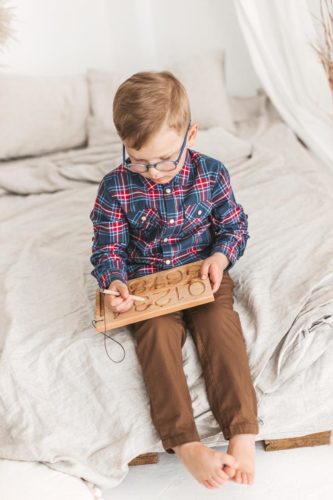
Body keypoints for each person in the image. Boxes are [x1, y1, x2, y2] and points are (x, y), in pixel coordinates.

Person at [89, 71, 259, 489]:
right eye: (138, 160)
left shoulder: (212, 174)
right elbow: (107, 248)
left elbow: (234, 227)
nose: (154, 171)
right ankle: (185, 444)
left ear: (192, 136)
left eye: (166, 159)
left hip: (202, 274)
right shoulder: (115, 188)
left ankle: (243, 433)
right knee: (156, 339)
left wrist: (220, 257)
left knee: (221, 329)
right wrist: (115, 282)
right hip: (147, 288)